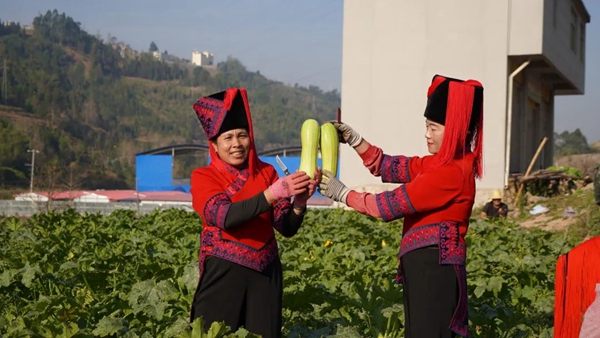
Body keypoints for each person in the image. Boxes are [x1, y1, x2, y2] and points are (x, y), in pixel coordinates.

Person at [319, 74, 484, 337]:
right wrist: (355, 140)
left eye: (434, 127)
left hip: (435, 270)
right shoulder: (439, 163)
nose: (426, 134)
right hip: (426, 269)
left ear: (455, 129)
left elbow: (388, 206)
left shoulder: (451, 172)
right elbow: (388, 165)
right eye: (426, 125)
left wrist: (344, 194)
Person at [189, 87, 321, 337]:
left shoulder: (267, 172)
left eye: (242, 135)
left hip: (266, 276)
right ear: (214, 146)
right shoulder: (203, 176)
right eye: (227, 138)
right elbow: (225, 217)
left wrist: (299, 203)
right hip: (223, 275)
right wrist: (273, 193)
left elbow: (286, 227)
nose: (237, 144)